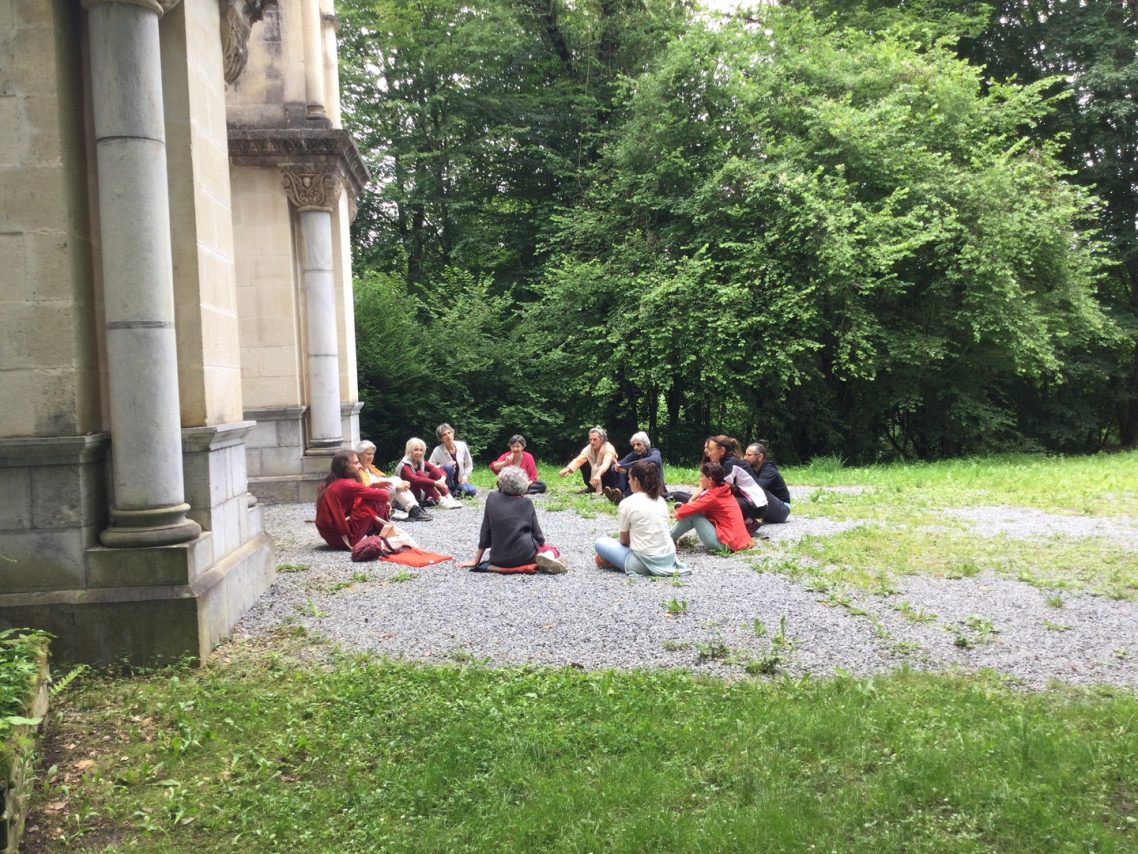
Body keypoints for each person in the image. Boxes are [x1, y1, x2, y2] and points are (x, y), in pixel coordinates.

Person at [458, 466, 567, 574]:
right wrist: (540, 545)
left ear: (498, 484)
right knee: (552, 549)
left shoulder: (491, 498)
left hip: (497, 559)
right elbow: (539, 536)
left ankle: (527, 563)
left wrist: (476, 560)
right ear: (523, 486)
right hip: (525, 555)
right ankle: (546, 557)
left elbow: (485, 532)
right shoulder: (526, 503)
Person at [594, 460, 688, 576]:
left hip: (643, 562)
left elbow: (624, 541)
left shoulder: (627, 503)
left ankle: (610, 561)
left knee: (600, 543)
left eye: (629, 478)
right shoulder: (661, 501)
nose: (628, 481)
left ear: (636, 480)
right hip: (668, 558)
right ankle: (611, 560)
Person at [314, 450, 391, 549]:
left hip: (332, 538)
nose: (360, 466)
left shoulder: (332, 481)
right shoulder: (347, 484)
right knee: (375, 501)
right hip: (344, 539)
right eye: (356, 463)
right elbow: (384, 495)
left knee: (369, 499)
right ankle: (380, 533)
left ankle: (376, 532)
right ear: (345, 467)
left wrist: (370, 487)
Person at [670, 461, 753, 553]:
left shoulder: (713, 496)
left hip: (726, 544)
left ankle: (668, 538)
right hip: (738, 541)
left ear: (710, 479)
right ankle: (669, 537)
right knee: (694, 512)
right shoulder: (724, 490)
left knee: (693, 514)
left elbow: (690, 509)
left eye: (702, 476)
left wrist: (674, 512)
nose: (700, 479)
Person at [356, 440, 433, 521]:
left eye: (372, 454)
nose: (371, 457)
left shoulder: (370, 468)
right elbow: (367, 489)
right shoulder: (357, 471)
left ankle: (414, 508)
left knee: (395, 479)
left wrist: (401, 484)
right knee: (395, 480)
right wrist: (396, 488)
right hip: (369, 502)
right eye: (368, 454)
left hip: (381, 497)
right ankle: (414, 509)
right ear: (359, 454)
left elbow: (382, 480)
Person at [704, 434, 768, 528]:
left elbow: (721, 490)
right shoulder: (728, 461)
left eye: (711, 450)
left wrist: (698, 501)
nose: (708, 453)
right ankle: (748, 522)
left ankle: (745, 524)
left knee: (717, 502)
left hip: (756, 504)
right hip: (754, 503)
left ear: (722, 451)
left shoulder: (729, 464)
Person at [398, 438, 462, 509]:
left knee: (436, 471)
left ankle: (449, 498)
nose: (419, 452)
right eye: (416, 450)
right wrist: (435, 483)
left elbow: (439, 470)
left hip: (422, 491)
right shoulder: (404, 466)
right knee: (420, 474)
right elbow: (416, 479)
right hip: (410, 494)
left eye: (421, 450)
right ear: (410, 451)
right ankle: (441, 500)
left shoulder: (421, 462)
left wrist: (442, 479)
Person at [607, 430, 667, 504]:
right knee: (622, 469)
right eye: (634, 445)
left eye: (638, 444)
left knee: (635, 468)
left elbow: (654, 460)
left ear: (645, 445)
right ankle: (618, 492)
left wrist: (626, 466)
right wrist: (616, 467)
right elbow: (620, 463)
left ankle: (621, 496)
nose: (635, 447)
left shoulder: (654, 452)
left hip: (652, 484)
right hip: (637, 484)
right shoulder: (634, 455)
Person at [558, 426, 619, 496]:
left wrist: (598, 474)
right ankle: (591, 487)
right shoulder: (588, 448)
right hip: (595, 476)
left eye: (595, 439)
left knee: (611, 466)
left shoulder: (608, 448)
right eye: (590, 439)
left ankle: (610, 488)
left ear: (602, 440)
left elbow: (606, 463)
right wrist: (567, 469)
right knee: (583, 462)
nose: (592, 442)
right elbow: (579, 459)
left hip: (607, 474)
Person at [743, 440, 791, 523]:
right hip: (772, 507)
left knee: (757, 489)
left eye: (749, 455)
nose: (745, 458)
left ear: (760, 457)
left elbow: (756, 488)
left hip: (782, 509)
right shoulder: (753, 470)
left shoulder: (769, 471)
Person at [429, 423, 477, 499]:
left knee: (472, 491)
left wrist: (465, 476)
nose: (448, 436)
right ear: (441, 439)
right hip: (445, 482)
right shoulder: (437, 450)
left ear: (453, 433)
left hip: (459, 481)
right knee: (448, 466)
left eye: (449, 433)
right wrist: (442, 465)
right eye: (444, 435)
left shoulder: (462, 445)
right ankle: (448, 490)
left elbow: (469, 464)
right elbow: (429, 467)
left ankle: (454, 492)